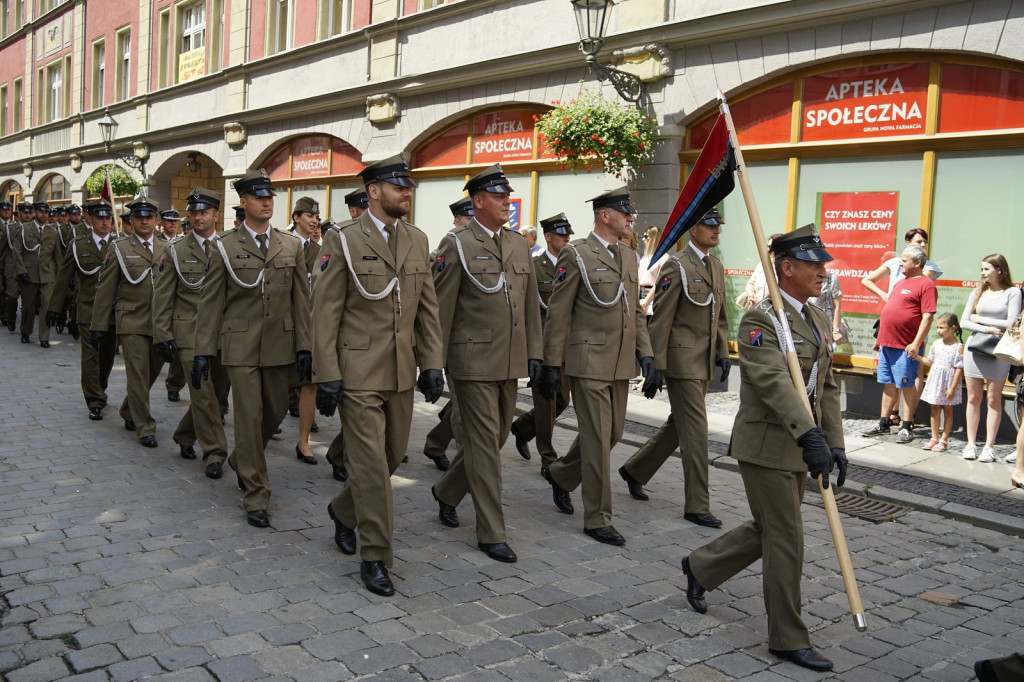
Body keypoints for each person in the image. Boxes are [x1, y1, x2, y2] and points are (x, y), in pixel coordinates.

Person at [682, 224, 848, 673]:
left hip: (800, 446)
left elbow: (826, 387)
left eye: (823, 263)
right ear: (786, 267)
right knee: (787, 537)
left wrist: (834, 442)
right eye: (813, 263)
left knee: (768, 528)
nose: (822, 271)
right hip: (766, 445)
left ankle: (701, 566)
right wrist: (809, 434)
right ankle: (787, 638)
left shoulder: (814, 317)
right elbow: (773, 381)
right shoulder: (761, 319)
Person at [313, 154, 444, 596]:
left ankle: (341, 510)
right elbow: (325, 312)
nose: (407, 192)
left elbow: (427, 307)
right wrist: (327, 373)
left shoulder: (417, 239)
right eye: (398, 186)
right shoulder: (344, 239)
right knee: (370, 467)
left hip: (401, 371)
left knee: (389, 458)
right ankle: (376, 557)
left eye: (409, 187)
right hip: (357, 371)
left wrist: (431, 364)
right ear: (373, 191)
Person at [430, 163, 543, 564]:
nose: (506, 203)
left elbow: (530, 304)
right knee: (484, 445)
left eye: (507, 196)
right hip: (471, 358)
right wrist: (431, 363)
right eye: (498, 197)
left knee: (493, 440)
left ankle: (446, 491)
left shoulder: (517, 244)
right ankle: (491, 531)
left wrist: (536, 353)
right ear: (478, 201)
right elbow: (440, 308)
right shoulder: (456, 243)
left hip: (509, 360)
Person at [192, 169, 312, 529]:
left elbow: (301, 301)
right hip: (240, 344)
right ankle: (256, 493)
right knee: (248, 416)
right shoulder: (224, 245)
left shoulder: (290, 245)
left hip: (281, 345)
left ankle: (242, 457)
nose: (266, 201)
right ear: (243, 202)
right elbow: (210, 302)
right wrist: (202, 350)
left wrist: (306, 347)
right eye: (258, 197)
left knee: (274, 413)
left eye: (270, 197)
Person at [537, 187, 656, 547]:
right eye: (625, 212)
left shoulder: (630, 255)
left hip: (620, 362)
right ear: (605, 215)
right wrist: (551, 363)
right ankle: (597, 517)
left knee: (613, 433)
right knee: (596, 437)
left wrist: (646, 353)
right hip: (587, 361)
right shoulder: (576, 254)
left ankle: (560, 475)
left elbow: (635, 311)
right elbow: (558, 312)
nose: (631, 218)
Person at [617, 208, 729, 525]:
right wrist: (655, 365)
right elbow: (661, 319)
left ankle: (635, 469)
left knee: (679, 426)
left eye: (718, 225)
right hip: (681, 362)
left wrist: (722, 352)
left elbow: (719, 317)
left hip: (704, 361)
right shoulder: (676, 265)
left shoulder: (716, 267)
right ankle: (697, 504)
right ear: (693, 230)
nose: (716, 230)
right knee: (696, 432)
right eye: (709, 225)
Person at [152, 188, 231, 477]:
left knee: (216, 393)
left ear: (215, 215)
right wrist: (162, 334)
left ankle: (185, 434)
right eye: (194, 212)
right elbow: (162, 296)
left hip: (223, 332)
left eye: (204, 212)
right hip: (188, 332)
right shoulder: (175, 250)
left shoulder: (228, 246)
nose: (198, 217)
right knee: (203, 393)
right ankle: (214, 453)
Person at [90, 198, 166, 448]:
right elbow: (105, 289)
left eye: (149, 217)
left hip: (158, 322)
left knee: (152, 372)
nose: (144, 221)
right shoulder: (119, 248)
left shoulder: (167, 248)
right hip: (131, 319)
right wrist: (99, 325)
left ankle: (128, 409)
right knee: (138, 373)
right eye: (139, 217)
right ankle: (145, 426)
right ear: (131, 221)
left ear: (156, 221)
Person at [509, 213, 575, 470]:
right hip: (543, 345)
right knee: (546, 403)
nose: (567, 238)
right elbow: (529, 310)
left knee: (562, 401)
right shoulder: (535, 267)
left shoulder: (574, 264)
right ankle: (548, 458)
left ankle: (523, 428)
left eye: (568, 234)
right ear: (548, 237)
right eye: (561, 234)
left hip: (566, 345)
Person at [46, 200, 118, 420]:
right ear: (90, 220)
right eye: (100, 218)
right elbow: (63, 277)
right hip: (88, 308)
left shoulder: (121, 244)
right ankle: (94, 400)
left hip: (114, 311)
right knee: (90, 356)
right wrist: (54, 307)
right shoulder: (78, 245)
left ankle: (100, 387)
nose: (105, 223)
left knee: (107, 356)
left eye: (108, 219)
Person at [421, 196, 478, 472]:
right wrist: (436, 356)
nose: (472, 222)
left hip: (481, 343)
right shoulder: (448, 248)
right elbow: (438, 304)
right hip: (457, 342)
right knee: (463, 409)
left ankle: (435, 443)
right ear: (457, 220)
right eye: (468, 218)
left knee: (462, 407)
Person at [862, 246, 937, 443]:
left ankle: (907, 425)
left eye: (904, 260)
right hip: (888, 343)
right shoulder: (900, 282)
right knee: (887, 383)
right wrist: (880, 339)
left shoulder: (926, 284)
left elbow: (927, 317)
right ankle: (883, 422)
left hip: (906, 345)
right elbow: (890, 312)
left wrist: (916, 343)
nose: (900, 263)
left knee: (907, 384)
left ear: (917, 263)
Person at [960, 254, 1022, 462]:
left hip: (998, 350)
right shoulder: (978, 291)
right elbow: (964, 322)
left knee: (994, 399)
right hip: (975, 347)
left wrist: (979, 318)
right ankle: (970, 444)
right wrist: (986, 327)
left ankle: (989, 446)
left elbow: (1012, 323)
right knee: (973, 397)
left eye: (987, 269)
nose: (983, 273)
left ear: (1000, 270)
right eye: (982, 269)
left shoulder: (1012, 292)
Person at [288, 196, 322, 466]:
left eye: (317, 217)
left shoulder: (320, 251)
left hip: (309, 324)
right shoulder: (281, 244)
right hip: (281, 324)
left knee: (309, 383)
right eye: (309, 216)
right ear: (296, 217)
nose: (314, 221)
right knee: (277, 387)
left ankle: (303, 441)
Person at [9, 201, 61, 347]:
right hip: (29, 274)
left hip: (47, 275)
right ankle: (26, 331)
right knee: (28, 306)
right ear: (34, 213)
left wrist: (59, 278)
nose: (43, 215)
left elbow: (57, 257)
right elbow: (17, 252)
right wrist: (21, 271)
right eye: (40, 212)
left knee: (46, 305)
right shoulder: (25, 230)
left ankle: (44, 337)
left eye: (46, 212)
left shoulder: (53, 232)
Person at [918, 312, 964, 453]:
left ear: (953, 328)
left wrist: (952, 387)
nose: (938, 331)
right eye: (937, 327)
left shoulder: (958, 347)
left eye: (942, 328)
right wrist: (917, 357)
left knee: (948, 410)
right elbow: (930, 361)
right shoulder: (936, 344)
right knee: (934, 409)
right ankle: (934, 437)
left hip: (949, 383)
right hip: (936, 381)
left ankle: (944, 439)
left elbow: (958, 369)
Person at [861, 228, 942, 302]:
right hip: (892, 310)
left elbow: (919, 282)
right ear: (908, 243)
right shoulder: (894, 262)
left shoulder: (930, 266)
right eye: (919, 242)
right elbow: (866, 280)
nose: (923, 245)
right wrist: (883, 294)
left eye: (925, 242)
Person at [737, 233, 782, 310]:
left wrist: (760, 302)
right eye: (767, 246)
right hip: (756, 311)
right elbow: (751, 283)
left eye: (771, 247)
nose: (768, 250)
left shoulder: (784, 268)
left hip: (772, 315)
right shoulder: (763, 263)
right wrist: (751, 294)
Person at [807, 270, 846, 349]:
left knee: (826, 358)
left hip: (825, 329)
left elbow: (837, 306)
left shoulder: (831, 278)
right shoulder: (802, 276)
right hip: (806, 328)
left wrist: (836, 331)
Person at [638, 225, 668, 321]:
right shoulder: (644, 258)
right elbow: (638, 280)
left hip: (653, 298)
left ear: (655, 238)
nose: (643, 239)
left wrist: (646, 301)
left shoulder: (663, 257)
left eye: (646, 236)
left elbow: (660, 282)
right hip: (640, 296)